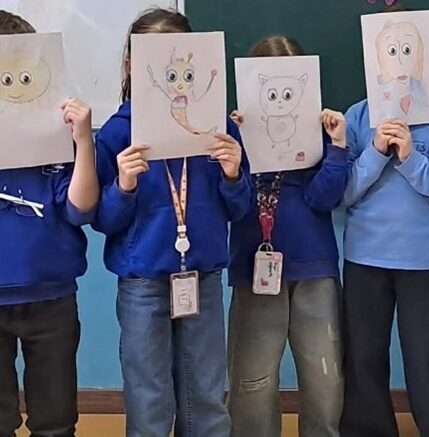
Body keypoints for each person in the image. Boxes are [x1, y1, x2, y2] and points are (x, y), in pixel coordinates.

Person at [93, 8, 252, 436]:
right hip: (143, 282)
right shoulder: (116, 133)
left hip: (203, 277)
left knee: (207, 395)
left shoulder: (217, 129)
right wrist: (124, 186)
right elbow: (102, 219)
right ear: (133, 65)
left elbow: (240, 210)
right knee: (149, 398)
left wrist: (233, 175)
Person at [339, 8, 429, 434]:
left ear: (422, 57)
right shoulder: (357, 117)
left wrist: (412, 160)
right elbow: (341, 193)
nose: (399, 59)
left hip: (425, 259)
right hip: (366, 257)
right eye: (390, 50)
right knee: (363, 359)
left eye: (407, 50)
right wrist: (376, 152)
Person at [226, 35, 349, 437]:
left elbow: (324, 198)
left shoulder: (317, 132)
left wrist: (337, 147)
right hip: (254, 268)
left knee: (324, 377)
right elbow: (233, 205)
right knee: (252, 380)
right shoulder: (235, 134)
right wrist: (234, 156)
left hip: (313, 267)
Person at [0, 11, 98, 437]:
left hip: (51, 296)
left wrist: (83, 140)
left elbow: (80, 209)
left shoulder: (56, 137)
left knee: (56, 421)